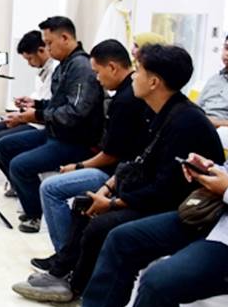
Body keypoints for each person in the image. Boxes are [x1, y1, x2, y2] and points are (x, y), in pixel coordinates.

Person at [35, 44, 228, 307]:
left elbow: (176, 188)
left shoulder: (185, 119)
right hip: (217, 217)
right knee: (122, 238)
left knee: (160, 280)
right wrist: (211, 172)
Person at [13, 44, 224, 302]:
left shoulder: (185, 121)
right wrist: (108, 189)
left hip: (179, 207)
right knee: (84, 205)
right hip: (145, 187)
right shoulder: (160, 111)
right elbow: (136, 160)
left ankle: (75, 285)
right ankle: (62, 272)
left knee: (100, 223)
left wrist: (113, 203)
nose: (134, 76)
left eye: (139, 71)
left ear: (154, 82)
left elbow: (166, 190)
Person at [33, 40, 150, 255]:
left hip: (115, 172)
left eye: (97, 72)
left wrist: (78, 166)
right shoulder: (123, 95)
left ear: (112, 67)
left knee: (50, 189)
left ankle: (65, 256)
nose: (97, 79)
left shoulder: (126, 100)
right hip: (115, 166)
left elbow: (112, 155)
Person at [0, 16, 105, 232]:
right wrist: (36, 104)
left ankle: (35, 214)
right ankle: (27, 196)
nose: (48, 48)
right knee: (3, 144)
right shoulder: (66, 65)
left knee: (19, 165)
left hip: (74, 141)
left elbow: (75, 113)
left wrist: (35, 115)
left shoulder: (81, 67)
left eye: (49, 43)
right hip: (57, 133)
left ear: (65, 38)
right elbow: (57, 103)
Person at [0, 30, 58, 196]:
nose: (29, 64)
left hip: (44, 124)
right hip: (37, 116)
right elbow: (42, 98)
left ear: (42, 50)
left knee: (0, 142)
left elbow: (51, 107)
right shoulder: (44, 69)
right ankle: (15, 183)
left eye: (30, 59)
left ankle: (23, 188)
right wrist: (28, 102)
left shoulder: (56, 70)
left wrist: (22, 117)